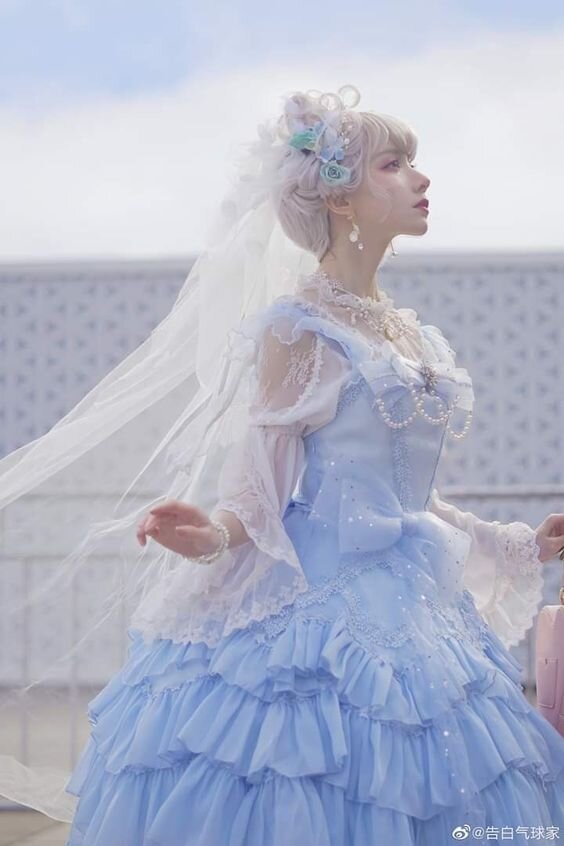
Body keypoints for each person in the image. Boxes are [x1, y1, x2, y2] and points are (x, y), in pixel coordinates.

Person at [1, 85, 564, 845]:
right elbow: (258, 488)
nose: (421, 178)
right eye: (393, 165)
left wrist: (518, 543)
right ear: (339, 199)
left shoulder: (411, 334)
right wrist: (210, 535)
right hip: (319, 602)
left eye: (413, 162)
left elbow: (408, 502)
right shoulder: (300, 329)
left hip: (420, 604)